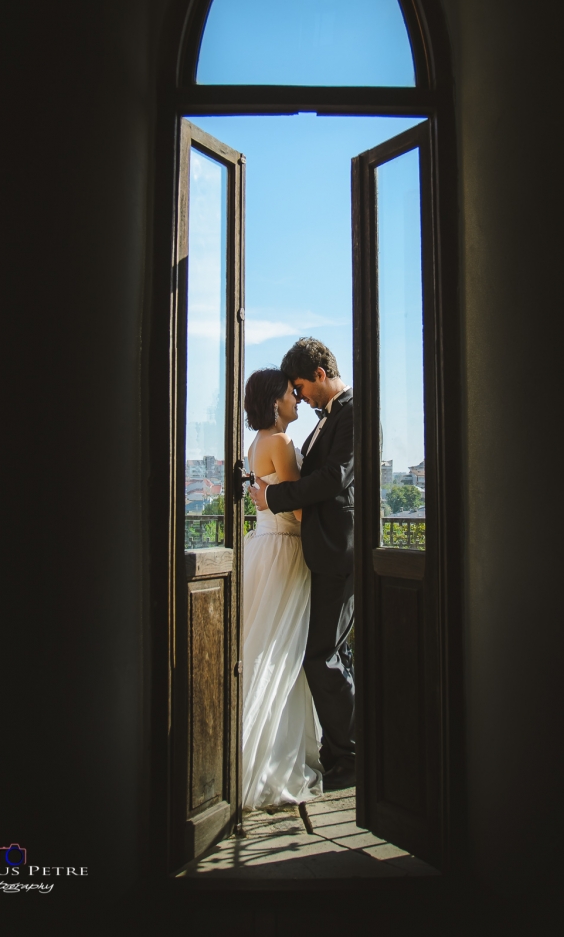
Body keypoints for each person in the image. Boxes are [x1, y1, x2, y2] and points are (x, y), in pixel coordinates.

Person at [249, 338, 355, 792]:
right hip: (315, 552)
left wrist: (271, 496)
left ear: (317, 374)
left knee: (322, 657)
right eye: (291, 391)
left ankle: (349, 757)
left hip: (337, 552)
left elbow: (333, 479)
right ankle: (339, 751)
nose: (300, 397)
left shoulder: (354, 413)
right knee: (327, 654)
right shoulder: (313, 425)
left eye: (300, 387)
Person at [241, 367, 323, 811]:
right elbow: (297, 512)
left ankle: (259, 751)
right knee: (283, 652)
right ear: (275, 402)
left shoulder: (255, 444)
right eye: (292, 395)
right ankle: (270, 760)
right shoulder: (282, 443)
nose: (297, 400)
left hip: (262, 549)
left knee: (264, 647)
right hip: (286, 552)